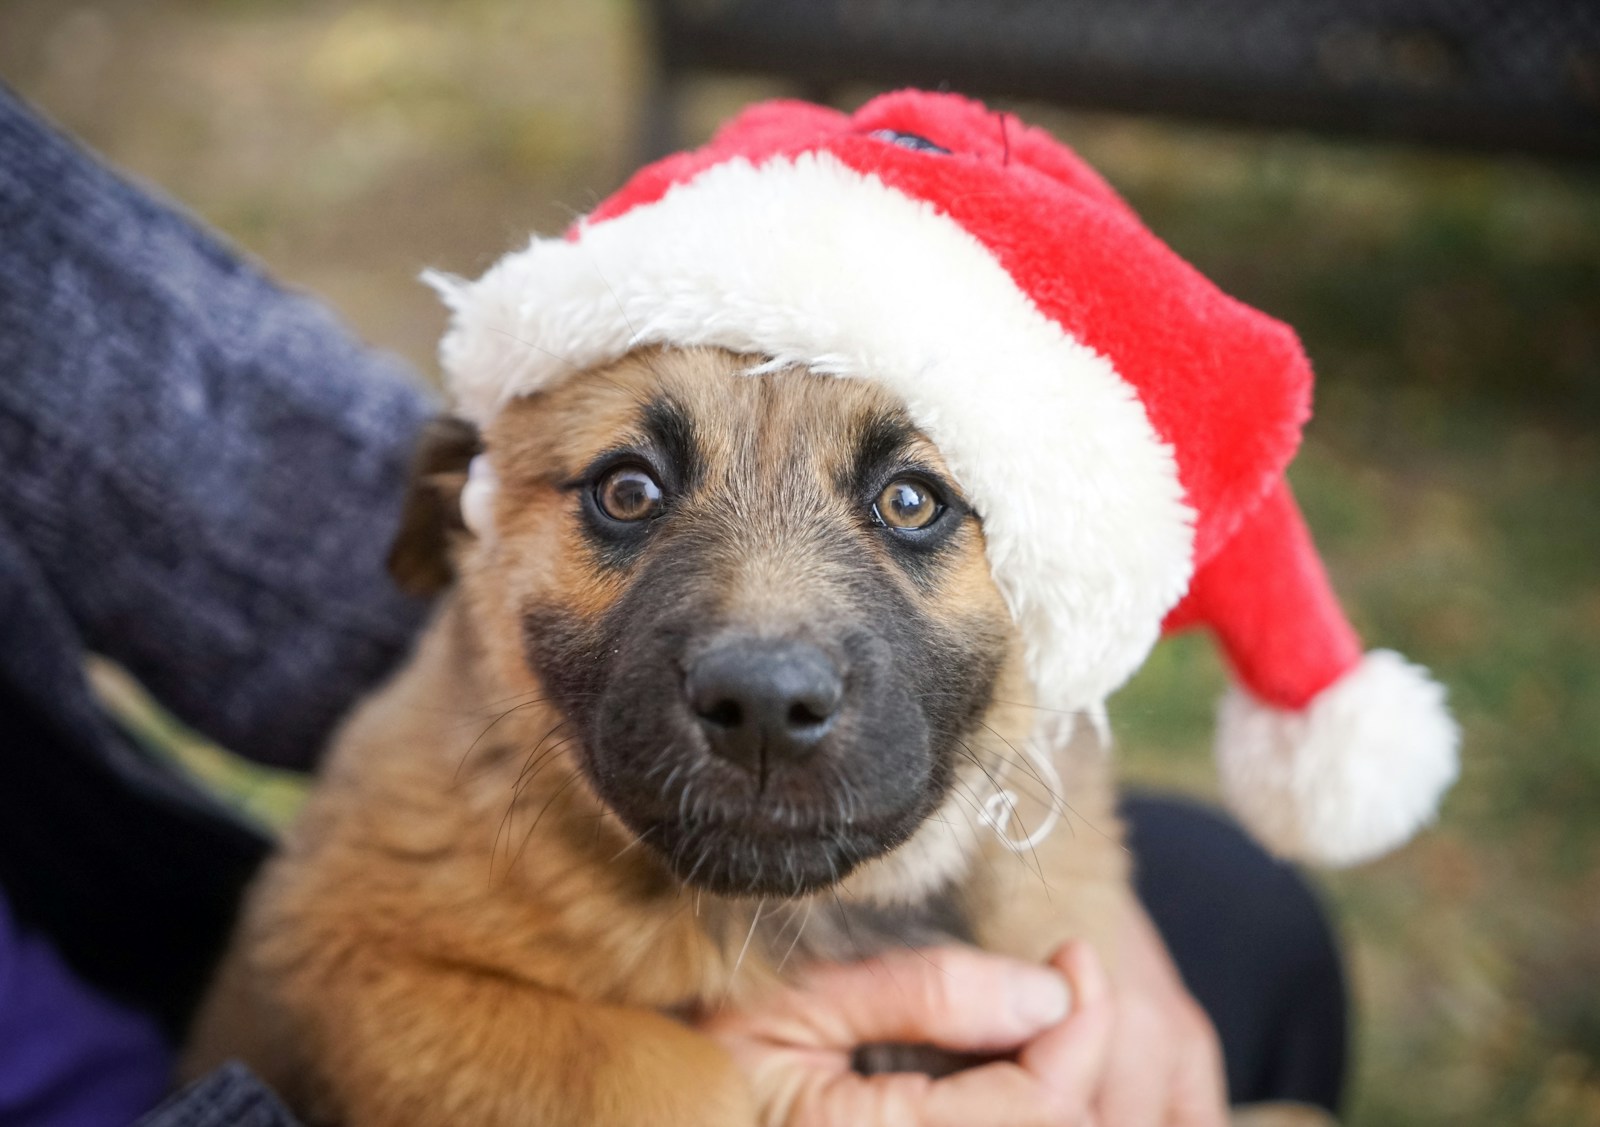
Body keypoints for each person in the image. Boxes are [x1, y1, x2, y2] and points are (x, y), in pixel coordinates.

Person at [0, 83, 1346, 1126]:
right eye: (630, 495)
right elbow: (343, 972)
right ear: (460, 525)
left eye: (915, 502)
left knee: (1239, 915)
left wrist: (1084, 933)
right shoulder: (441, 825)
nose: (766, 639)